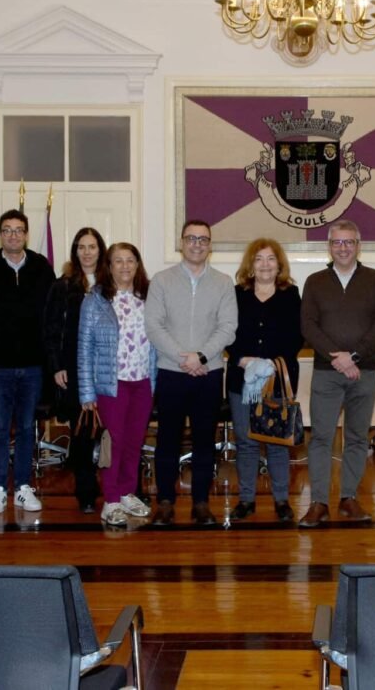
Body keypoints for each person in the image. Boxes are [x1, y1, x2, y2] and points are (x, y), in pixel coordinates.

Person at [298, 220, 375, 528]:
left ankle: (349, 498)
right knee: (321, 438)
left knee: (356, 437)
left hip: (365, 371)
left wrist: (352, 357)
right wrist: (337, 357)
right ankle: (319, 503)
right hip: (327, 371)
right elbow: (308, 326)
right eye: (337, 242)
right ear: (330, 246)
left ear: (358, 244)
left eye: (349, 242)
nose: (343, 247)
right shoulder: (314, 281)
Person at [145, 220, 238, 526]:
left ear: (210, 245)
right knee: (167, 441)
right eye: (191, 238)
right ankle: (166, 504)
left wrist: (200, 357)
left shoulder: (224, 283)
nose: (197, 244)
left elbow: (228, 328)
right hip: (171, 372)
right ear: (181, 242)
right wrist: (183, 358)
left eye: (203, 239)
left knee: (203, 442)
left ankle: (201, 503)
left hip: (209, 374)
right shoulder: (161, 280)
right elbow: (154, 326)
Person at [0, 210, 57, 515]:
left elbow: (50, 318)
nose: (13, 235)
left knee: (25, 427)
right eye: (7, 230)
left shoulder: (41, 268)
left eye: (19, 230)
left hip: (33, 366)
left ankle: (22, 486)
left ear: (26, 234)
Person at [77, 243, 157, 527]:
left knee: (135, 442)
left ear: (138, 264)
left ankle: (127, 492)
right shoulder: (95, 300)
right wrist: (86, 391)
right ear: (108, 266)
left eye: (130, 260)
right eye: (118, 261)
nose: (125, 266)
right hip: (111, 384)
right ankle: (111, 500)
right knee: (115, 443)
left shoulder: (148, 297)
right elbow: (84, 347)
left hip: (143, 382)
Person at [225, 238, 303, 523]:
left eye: (271, 259)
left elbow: (297, 335)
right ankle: (246, 500)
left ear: (279, 265)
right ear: (250, 265)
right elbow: (226, 331)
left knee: (277, 442)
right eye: (259, 259)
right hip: (241, 379)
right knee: (245, 442)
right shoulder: (235, 294)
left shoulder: (291, 294)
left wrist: (271, 363)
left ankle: (281, 500)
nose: (265, 264)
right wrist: (242, 359)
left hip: (276, 381)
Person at [43, 227, 108, 513]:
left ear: (100, 250)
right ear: (75, 251)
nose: (87, 252)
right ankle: (86, 493)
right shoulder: (62, 286)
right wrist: (56, 367)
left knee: (109, 432)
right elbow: (50, 329)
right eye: (81, 247)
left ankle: (121, 490)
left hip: (106, 371)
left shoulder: (112, 284)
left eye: (92, 246)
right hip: (73, 370)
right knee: (82, 435)